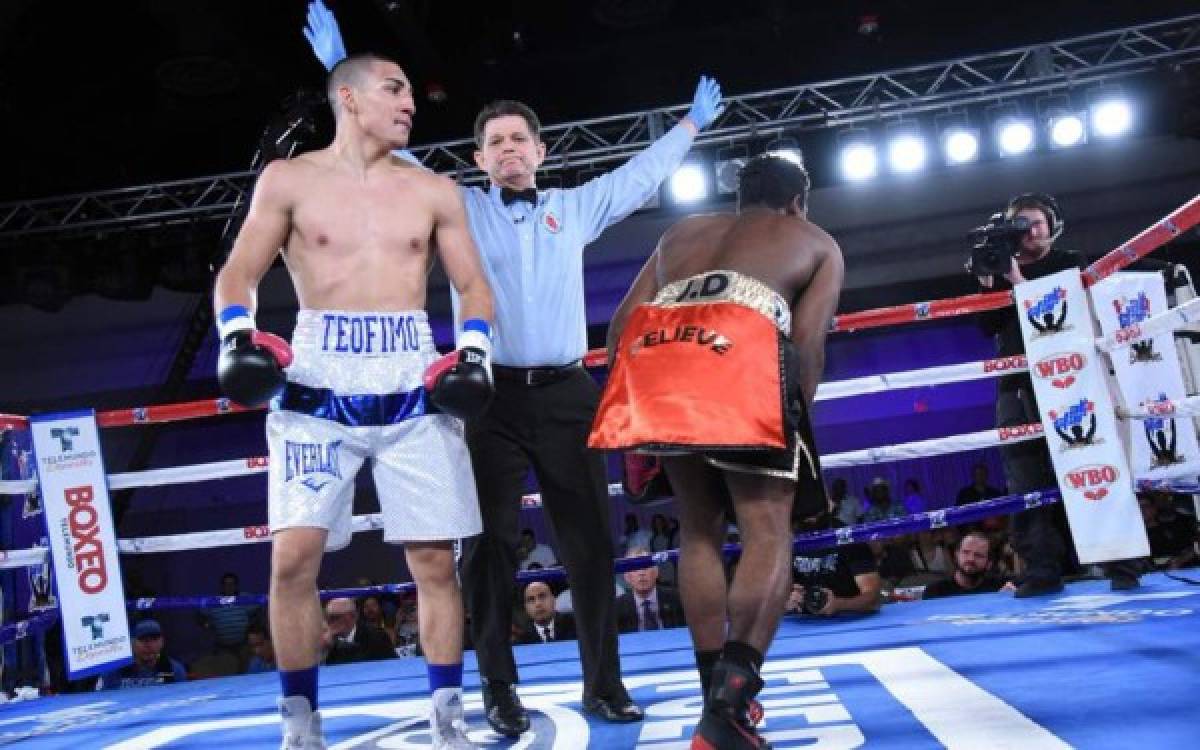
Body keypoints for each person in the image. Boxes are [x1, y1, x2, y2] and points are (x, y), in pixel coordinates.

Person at [300, 5, 724, 736]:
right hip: (487, 398)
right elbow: (390, 160)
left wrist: (689, 126)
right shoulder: (458, 206)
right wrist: (342, 78)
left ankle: (604, 684)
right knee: (486, 547)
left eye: (518, 140)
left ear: (541, 150)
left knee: (590, 545)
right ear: (479, 159)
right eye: (494, 143)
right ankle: (498, 689)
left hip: (566, 393)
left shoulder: (574, 207)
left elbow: (637, 175)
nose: (508, 151)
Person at [213, 51, 494, 749]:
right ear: (349, 97)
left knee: (435, 559)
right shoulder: (289, 179)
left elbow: (472, 286)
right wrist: (236, 335)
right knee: (292, 559)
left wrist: (476, 351)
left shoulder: (434, 191)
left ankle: (448, 722)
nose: (410, 103)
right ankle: (300, 728)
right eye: (395, 89)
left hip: (410, 375)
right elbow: (237, 274)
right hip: (316, 377)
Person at [590, 153, 844, 749]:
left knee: (698, 528)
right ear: (797, 203)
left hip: (660, 359)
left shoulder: (681, 234)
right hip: (739, 357)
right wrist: (793, 416)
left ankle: (716, 701)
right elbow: (807, 342)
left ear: (738, 201)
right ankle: (729, 705)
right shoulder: (815, 240)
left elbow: (617, 330)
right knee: (767, 525)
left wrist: (640, 401)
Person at [975, 192, 1140, 596]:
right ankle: (1041, 569)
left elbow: (1068, 310)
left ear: (1052, 226)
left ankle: (1122, 560)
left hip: (1075, 378)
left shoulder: (1070, 261)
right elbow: (988, 327)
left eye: (1036, 222)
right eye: (1020, 224)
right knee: (1026, 478)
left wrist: (1017, 281)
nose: (1029, 231)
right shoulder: (998, 267)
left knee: (1094, 461)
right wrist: (987, 283)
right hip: (1018, 381)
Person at [95, 620, 187, 690]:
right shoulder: (112, 671)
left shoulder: (173, 669)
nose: (150, 645)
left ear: (162, 642)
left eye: (154, 639)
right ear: (131, 643)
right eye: (143, 640)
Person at [616, 547, 686, 633]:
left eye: (645, 567)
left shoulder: (678, 598)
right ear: (627, 577)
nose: (641, 573)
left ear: (656, 572)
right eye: (635, 568)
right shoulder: (617, 607)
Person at [922, 532, 1008, 599]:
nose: (971, 559)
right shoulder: (935, 592)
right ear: (956, 555)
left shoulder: (1000, 586)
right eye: (966, 552)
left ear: (989, 564)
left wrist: (1011, 596)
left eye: (978, 555)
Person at [322, 597, 397, 665]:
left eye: (335, 617)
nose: (330, 622)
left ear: (353, 616)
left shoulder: (377, 636)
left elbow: (393, 666)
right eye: (327, 618)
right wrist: (325, 648)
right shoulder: (325, 640)